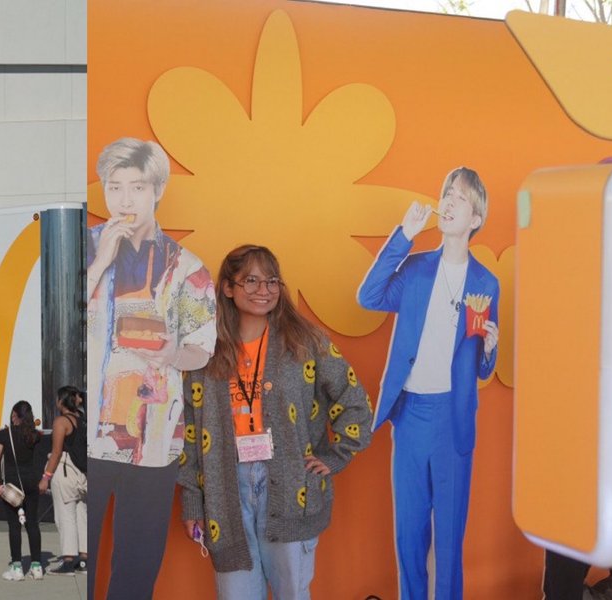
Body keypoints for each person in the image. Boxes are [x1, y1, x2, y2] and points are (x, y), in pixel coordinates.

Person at [180, 245, 373, 599]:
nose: (263, 290)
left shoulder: (305, 342)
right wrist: (193, 500)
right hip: (225, 490)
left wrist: (336, 456)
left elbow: (353, 398)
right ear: (227, 287)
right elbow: (189, 433)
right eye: (250, 280)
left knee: (292, 594)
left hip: (289, 486)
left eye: (272, 281)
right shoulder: (204, 351)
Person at [357, 167, 500, 600]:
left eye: (460, 197)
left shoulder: (486, 283)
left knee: (450, 538)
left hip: (454, 420)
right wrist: (403, 236)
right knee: (410, 534)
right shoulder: (416, 269)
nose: (450, 201)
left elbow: (480, 370)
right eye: (447, 194)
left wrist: (491, 348)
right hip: (412, 415)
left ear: (475, 218)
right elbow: (369, 296)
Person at [86, 137, 218, 599]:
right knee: (74, 562)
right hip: (83, 437)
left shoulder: (186, 266)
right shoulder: (79, 250)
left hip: (153, 438)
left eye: (136, 187)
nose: (124, 199)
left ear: (157, 190)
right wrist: (99, 262)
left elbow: (202, 347)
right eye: (114, 186)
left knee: (137, 568)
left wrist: (171, 355)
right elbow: (53, 322)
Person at [0, 400, 45, 581]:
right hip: (32, 483)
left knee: (14, 525)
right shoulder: (36, 435)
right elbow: (40, 460)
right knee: (32, 524)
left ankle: (16, 567)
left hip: (13, 485)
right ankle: (37, 566)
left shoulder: (4, 435)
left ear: (14, 415)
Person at [39, 385, 88, 576]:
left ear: (61, 401)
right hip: (83, 473)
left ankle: (68, 560)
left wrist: (46, 478)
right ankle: (85, 559)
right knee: (81, 514)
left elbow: (57, 452)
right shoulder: (82, 420)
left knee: (65, 516)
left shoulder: (61, 422)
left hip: (65, 471)